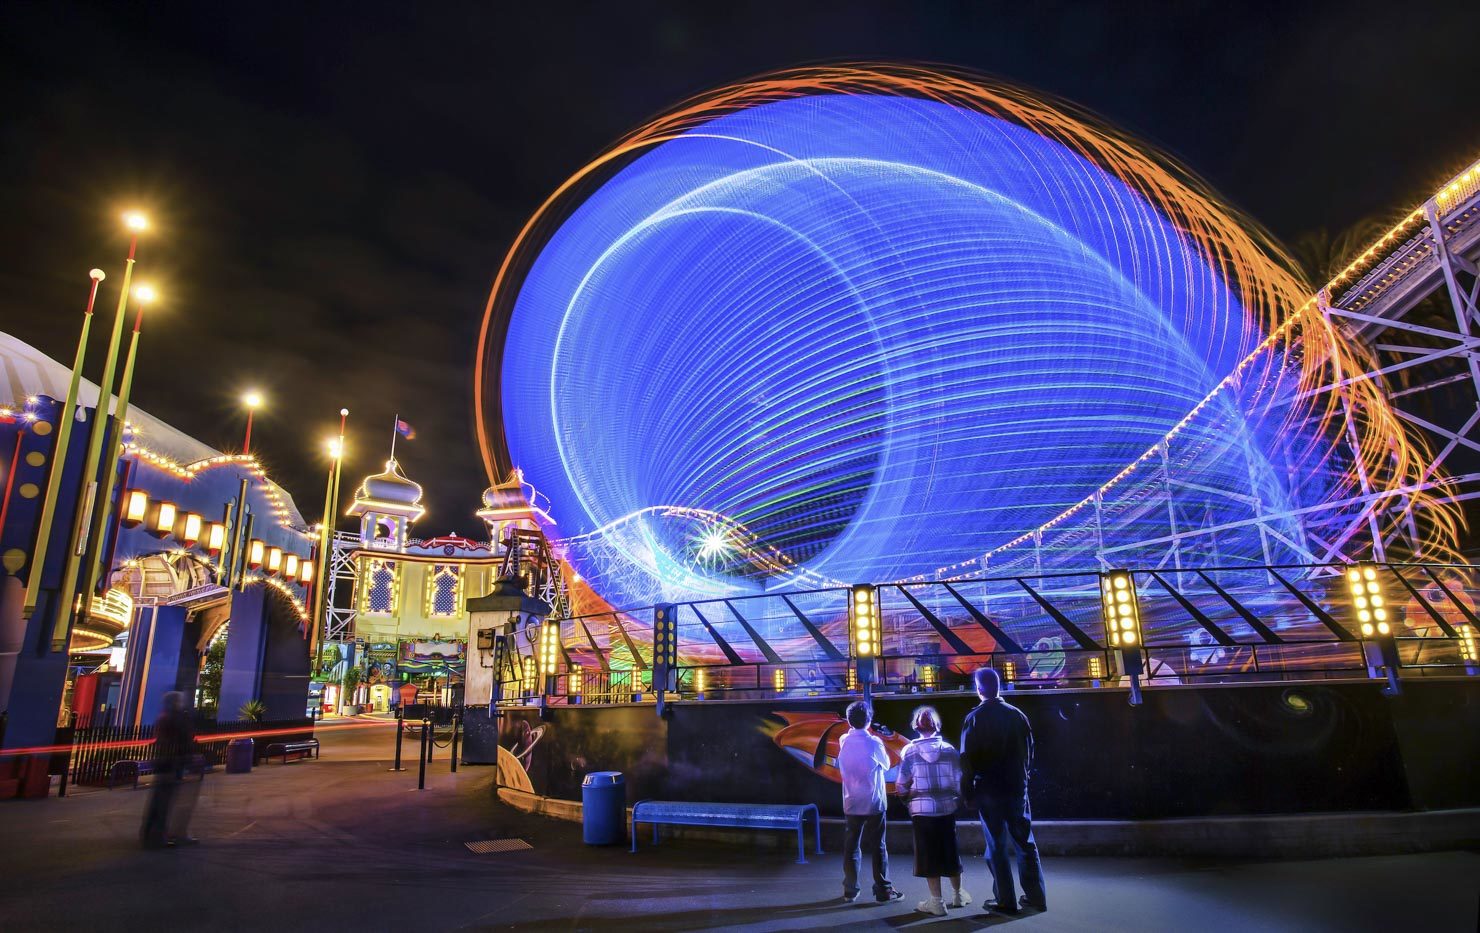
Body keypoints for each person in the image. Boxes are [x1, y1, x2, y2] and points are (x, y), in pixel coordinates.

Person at [959, 667, 1046, 914]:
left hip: (988, 791)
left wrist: (968, 793)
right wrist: (1023, 779)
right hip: (1017, 788)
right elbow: (1029, 753)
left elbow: (966, 761)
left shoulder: (973, 718)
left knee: (996, 846)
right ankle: (1036, 897)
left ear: (978, 688)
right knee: (1025, 843)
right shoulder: (1018, 715)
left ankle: (1005, 900)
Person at [896, 705, 970, 916]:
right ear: (937, 726)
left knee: (929, 855)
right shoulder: (949, 750)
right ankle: (958, 895)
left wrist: (907, 799)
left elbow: (901, 785)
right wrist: (956, 799)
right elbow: (959, 783)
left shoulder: (909, 751)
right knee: (950, 851)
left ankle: (936, 902)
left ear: (916, 726)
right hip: (946, 809)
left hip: (921, 812)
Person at [837, 700, 902, 904]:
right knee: (878, 847)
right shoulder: (874, 743)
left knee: (851, 847)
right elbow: (886, 764)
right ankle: (883, 890)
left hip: (851, 802)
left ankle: (850, 890)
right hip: (874, 802)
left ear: (848, 720)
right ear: (870, 720)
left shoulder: (843, 741)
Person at [140, 691, 199, 849]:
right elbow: (184, 738)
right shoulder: (175, 718)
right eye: (180, 701)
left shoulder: (165, 717)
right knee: (164, 802)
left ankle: (154, 834)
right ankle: (162, 835)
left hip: (166, 763)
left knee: (161, 801)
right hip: (172, 764)